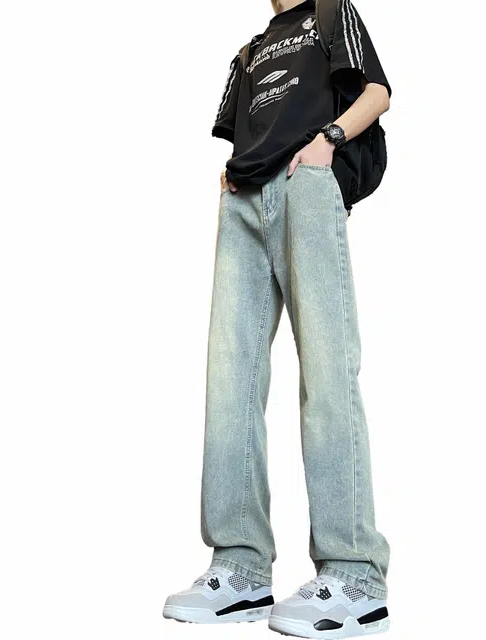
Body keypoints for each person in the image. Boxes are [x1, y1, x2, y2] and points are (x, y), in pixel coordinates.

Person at [163, 1, 392, 636]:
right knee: (229, 381)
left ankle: (354, 573)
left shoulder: (330, 11)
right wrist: (231, 178)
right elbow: (244, 131)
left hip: (307, 184)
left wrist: (329, 142)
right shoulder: (248, 52)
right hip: (243, 200)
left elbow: (377, 93)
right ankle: (239, 567)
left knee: (327, 370)